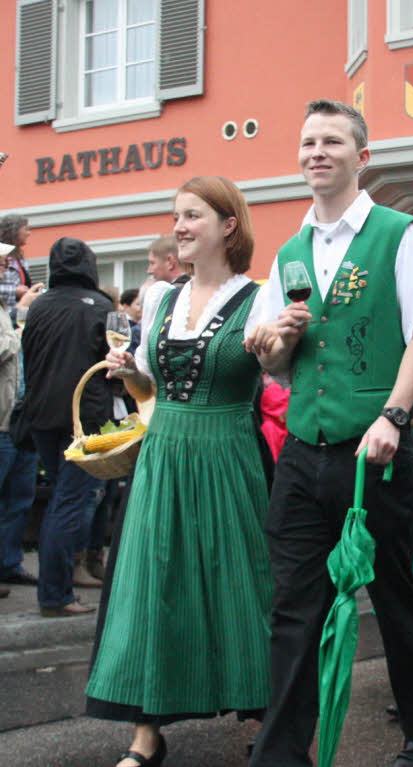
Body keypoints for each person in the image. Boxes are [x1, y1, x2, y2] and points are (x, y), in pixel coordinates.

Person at [245, 99, 413, 767]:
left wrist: (394, 416)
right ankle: (281, 749)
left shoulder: (400, 234)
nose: (316, 152)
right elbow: (275, 364)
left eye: (332, 141)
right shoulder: (289, 250)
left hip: (376, 450)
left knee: (394, 596)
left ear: (361, 157)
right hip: (304, 451)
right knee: (295, 605)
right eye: (308, 141)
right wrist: (275, 342)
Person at [85, 176, 272, 767]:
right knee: (152, 584)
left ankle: (267, 715)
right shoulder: (162, 298)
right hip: (165, 452)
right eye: (177, 217)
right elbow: (149, 387)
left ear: (228, 226)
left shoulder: (258, 297)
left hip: (229, 453)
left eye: (193, 216)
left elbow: (281, 377)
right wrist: (128, 375)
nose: (180, 227)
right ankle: (146, 733)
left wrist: (277, 345)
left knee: (241, 582)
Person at [21, 237, 113, 618]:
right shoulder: (100, 306)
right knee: (70, 502)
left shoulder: (39, 306)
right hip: (85, 420)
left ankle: (55, 589)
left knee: (63, 498)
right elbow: (113, 363)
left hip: (41, 416)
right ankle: (55, 594)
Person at [0, 242, 39, 592]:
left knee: (20, 496)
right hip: (1, 420)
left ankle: (8, 564)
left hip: (19, 415)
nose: (7, 271)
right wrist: (19, 327)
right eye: (1, 264)